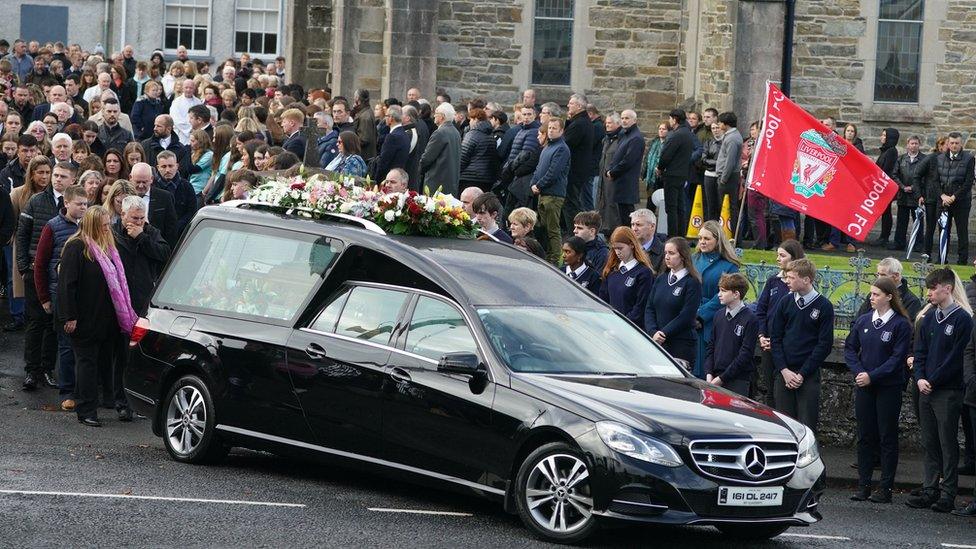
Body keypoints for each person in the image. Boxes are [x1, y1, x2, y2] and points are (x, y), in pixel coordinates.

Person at [59, 205, 140, 427]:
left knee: (105, 363)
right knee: (87, 364)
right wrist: (69, 316)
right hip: (85, 319)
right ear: (93, 226)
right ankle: (86, 410)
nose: (108, 229)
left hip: (107, 320)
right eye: (103, 226)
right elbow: (67, 285)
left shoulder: (110, 248)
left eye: (108, 225)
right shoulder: (76, 247)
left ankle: (105, 401)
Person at [906, 268, 972, 512]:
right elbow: (919, 352)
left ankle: (948, 493)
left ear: (948, 288)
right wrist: (920, 377)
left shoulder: (963, 320)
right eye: (929, 288)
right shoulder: (928, 318)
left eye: (934, 288)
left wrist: (932, 379)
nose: (929, 293)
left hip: (948, 390)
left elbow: (957, 358)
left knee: (947, 442)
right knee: (930, 441)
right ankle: (930, 488)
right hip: (926, 388)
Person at [845, 276, 913, 504]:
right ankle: (863, 484)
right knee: (865, 435)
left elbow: (897, 359)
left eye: (876, 294)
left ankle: (885, 488)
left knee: (886, 436)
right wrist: (859, 372)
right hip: (864, 385)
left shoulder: (901, 324)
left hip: (888, 387)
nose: (871, 298)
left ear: (889, 297)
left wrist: (872, 376)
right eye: (871, 294)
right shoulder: (864, 321)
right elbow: (850, 349)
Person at [18, 159, 75, 390]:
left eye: (62, 176)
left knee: (54, 324)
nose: (57, 179)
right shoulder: (36, 201)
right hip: (36, 270)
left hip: (61, 275)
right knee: (35, 322)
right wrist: (23, 267)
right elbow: (22, 235)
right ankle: (32, 371)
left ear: (73, 179)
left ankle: (47, 368)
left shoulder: (74, 204)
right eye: (55, 175)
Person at [33, 184, 88, 411]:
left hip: (86, 295)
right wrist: (44, 297)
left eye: (86, 204)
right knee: (66, 345)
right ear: (67, 203)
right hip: (60, 295)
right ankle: (67, 391)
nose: (84, 208)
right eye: (79, 204)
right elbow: (41, 264)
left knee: (84, 346)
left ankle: (85, 390)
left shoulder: (89, 226)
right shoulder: (52, 227)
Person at [770, 258, 835, 433]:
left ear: (806, 279)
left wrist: (802, 374)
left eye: (791, 277)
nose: (786, 281)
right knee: (783, 425)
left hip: (807, 375)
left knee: (806, 425)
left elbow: (824, 345)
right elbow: (775, 338)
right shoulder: (785, 301)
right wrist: (784, 370)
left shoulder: (824, 306)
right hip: (784, 373)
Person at [755, 240, 805, 406]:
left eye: (782, 256)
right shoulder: (773, 281)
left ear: (794, 258)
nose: (778, 259)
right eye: (777, 255)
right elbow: (761, 310)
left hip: (787, 346)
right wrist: (762, 335)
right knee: (770, 390)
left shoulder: (799, 285)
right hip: (768, 344)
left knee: (785, 391)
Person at [693, 220, 742, 378]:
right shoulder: (693, 259)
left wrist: (701, 314)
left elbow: (723, 295)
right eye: (700, 238)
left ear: (718, 240)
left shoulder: (729, 266)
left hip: (710, 321)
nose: (702, 242)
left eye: (707, 239)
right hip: (689, 316)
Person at [644, 236, 702, 365]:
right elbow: (649, 308)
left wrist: (663, 333)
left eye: (671, 253)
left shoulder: (692, 282)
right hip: (657, 342)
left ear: (682, 256)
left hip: (680, 345)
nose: (667, 257)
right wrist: (653, 332)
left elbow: (687, 315)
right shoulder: (661, 279)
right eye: (665, 253)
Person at [705, 272, 758, 396]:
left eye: (723, 291)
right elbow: (711, 346)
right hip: (714, 377)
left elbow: (745, 354)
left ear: (736, 294)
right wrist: (708, 373)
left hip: (737, 379)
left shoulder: (750, 318)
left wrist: (722, 378)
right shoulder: (718, 315)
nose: (719, 294)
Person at [531, 117, 570, 264]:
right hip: (543, 193)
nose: (551, 131)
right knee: (545, 229)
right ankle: (548, 256)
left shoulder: (562, 148)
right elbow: (539, 168)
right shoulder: (547, 147)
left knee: (553, 230)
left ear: (561, 131)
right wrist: (533, 183)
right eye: (550, 128)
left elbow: (553, 172)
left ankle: (556, 259)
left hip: (553, 195)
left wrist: (539, 185)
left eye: (555, 128)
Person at [598, 226, 653, 325]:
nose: (617, 252)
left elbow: (640, 306)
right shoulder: (611, 270)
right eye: (614, 248)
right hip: (610, 325)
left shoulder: (643, 272)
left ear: (632, 245)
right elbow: (603, 299)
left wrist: (622, 325)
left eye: (620, 248)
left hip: (632, 328)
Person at [935, 132, 973, 265]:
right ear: (948, 143)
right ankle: (941, 258)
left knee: (962, 231)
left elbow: (968, 182)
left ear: (961, 143)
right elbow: (935, 181)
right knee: (943, 231)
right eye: (952, 143)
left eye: (957, 143)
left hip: (961, 201)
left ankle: (962, 261)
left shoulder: (969, 159)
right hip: (944, 201)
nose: (954, 145)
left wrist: (954, 197)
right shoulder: (939, 158)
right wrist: (943, 195)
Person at [656, 109, 696, 237]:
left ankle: (673, 235)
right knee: (680, 207)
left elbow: (666, 155)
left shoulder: (676, 135)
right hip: (683, 173)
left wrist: (660, 168)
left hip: (672, 174)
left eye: (670, 119)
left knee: (671, 208)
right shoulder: (688, 133)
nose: (670, 121)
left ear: (675, 119)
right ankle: (680, 235)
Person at [605, 110, 643, 225]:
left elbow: (628, 161)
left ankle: (629, 239)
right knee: (622, 214)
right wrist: (610, 169)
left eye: (627, 118)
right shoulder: (624, 135)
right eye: (622, 118)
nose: (624, 121)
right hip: (620, 181)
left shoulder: (636, 138)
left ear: (634, 120)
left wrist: (613, 172)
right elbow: (617, 155)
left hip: (627, 181)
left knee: (627, 216)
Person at [854, 257, 923, 321]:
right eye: (878, 274)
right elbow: (857, 321)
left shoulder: (912, 301)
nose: (879, 278)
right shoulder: (873, 294)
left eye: (883, 275)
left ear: (896, 276)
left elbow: (907, 329)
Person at [562, 93, 593, 231]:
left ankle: (575, 231)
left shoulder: (579, 124)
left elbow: (565, 144)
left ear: (579, 106)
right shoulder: (580, 122)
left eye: (571, 103)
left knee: (571, 204)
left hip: (574, 171)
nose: (568, 105)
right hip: (578, 170)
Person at [130, 163, 178, 246]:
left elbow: (171, 229)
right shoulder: (124, 197)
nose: (141, 186)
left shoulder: (164, 197)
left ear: (151, 179)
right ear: (130, 178)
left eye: (144, 182)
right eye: (137, 182)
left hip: (157, 249)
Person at [891, 135, 925, 252]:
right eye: (912, 143)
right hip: (903, 195)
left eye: (916, 143)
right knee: (901, 222)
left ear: (919, 145)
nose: (913, 145)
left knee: (918, 222)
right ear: (907, 145)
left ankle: (918, 245)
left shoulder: (924, 160)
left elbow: (926, 178)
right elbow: (894, 175)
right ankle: (899, 243)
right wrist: (903, 187)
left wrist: (914, 187)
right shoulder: (901, 159)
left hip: (917, 196)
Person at [419, 102, 461, 197]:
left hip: (436, 182)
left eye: (436, 114)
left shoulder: (440, 133)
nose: (434, 116)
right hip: (450, 181)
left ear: (442, 116)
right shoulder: (455, 132)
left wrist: (419, 171)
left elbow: (427, 158)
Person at [153, 150, 198, 236]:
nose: (167, 170)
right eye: (163, 166)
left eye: (170, 166)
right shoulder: (152, 186)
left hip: (180, 234)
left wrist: (176, 227)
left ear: (177, 166)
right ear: (158, 167)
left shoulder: (187, 187)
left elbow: (192, 212)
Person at [871, 128, 901, 248]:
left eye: (884, 135)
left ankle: (884, 237)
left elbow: (886, 169)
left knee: (886, 212)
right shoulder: (886, 150)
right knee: (885, 212)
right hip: (882, 185)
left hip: (885, 186)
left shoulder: (891, 151)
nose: (882, 137)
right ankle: (883, 236)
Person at [715, 112, 743, 231]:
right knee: (726, 207)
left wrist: (723, 179)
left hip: (729, 177)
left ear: (726, 124)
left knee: (729, 208)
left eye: (720, 122)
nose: (719, 124)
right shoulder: (730, 136)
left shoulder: (732, 138)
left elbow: (730, 161)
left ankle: (733, 235)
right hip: (728, 176)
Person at [458, 108, 496, 192]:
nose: (469, 122)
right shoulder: (491, 135)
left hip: (469, 177)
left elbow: (463, 156)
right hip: (487, 178)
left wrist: (457, 172)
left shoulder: (472, 134)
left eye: (471, 119)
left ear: (476, 119)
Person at [371, 105, 409, 183]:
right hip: (398, 178)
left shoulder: (392, 137)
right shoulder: (404, 134)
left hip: (388, 180)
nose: (385, 118)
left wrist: (376, 181)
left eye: (386, 116)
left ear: (391, 118)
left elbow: (383, 162)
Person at [643, 121, 668, 208]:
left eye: (664, 129)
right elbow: (647, 159)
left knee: (663, 202)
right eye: (660, 129)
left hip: (663, 176)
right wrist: (644, 172)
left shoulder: (669, 143)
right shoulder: (654, 142)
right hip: (652, 177)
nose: (661, 131)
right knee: (650, 201)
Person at [352, 89, 377, 161]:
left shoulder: (365, 116)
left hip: (364, 156)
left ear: (358, 100)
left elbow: (364, 139)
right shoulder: (364, 112)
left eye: (355, 98)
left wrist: (349, 143)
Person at [188, 129, 213, 197]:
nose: (190, 143)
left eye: (193, 141)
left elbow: (194, 169)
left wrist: (187, 154)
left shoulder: (209, 154)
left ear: (200, 142)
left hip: (200, 189)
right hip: (192, 187)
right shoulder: (193, 154)